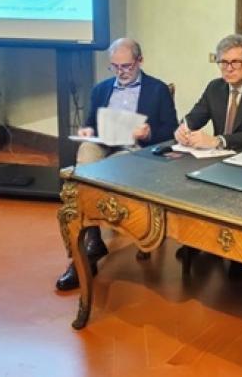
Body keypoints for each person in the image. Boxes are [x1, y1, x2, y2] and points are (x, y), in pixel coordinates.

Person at [56, 37, 177, 291]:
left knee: (108, 168)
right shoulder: (101, 89)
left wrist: (149, 133)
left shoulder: (157, 90)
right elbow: (91, 122)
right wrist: (87, 131)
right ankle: (92, 238)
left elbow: (171, 131)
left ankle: (88, 246)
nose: (121, 72)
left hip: (133, 149)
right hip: (104, 142)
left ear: (140, 61)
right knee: (86, 152)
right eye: (115, 67)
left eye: (127, 66)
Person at [174, 34, 242, 151]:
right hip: (218, 155)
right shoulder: (214, 88)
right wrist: (183, 129)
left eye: (235, 62)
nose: (229, 68)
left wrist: (219, 141)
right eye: (224, 62)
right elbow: (195, 117)